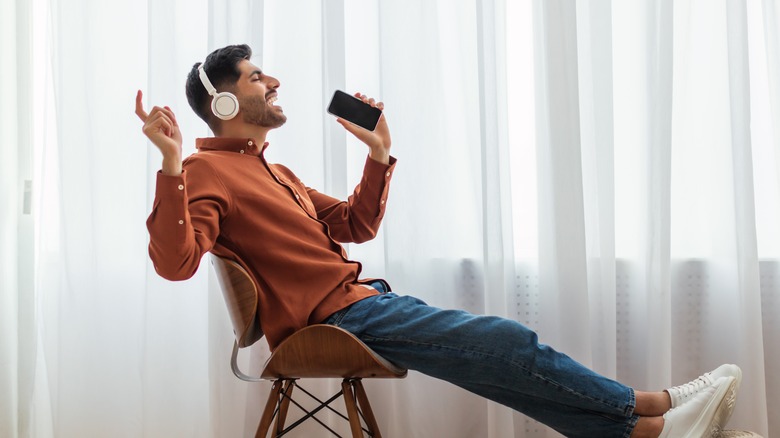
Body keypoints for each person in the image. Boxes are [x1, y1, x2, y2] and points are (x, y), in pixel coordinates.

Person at [136, 44, 742, 438]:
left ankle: (650, 424)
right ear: (221, 101)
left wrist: (377, 154)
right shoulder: (204, 171)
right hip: (332, 323)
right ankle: (657, 413)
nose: (273, 81)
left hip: (359, 306)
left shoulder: (273, 169)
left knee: (497, 365)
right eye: (254, 77)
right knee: (505, 341)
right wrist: (168, 166)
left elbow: (353, 223)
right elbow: (176, 262)